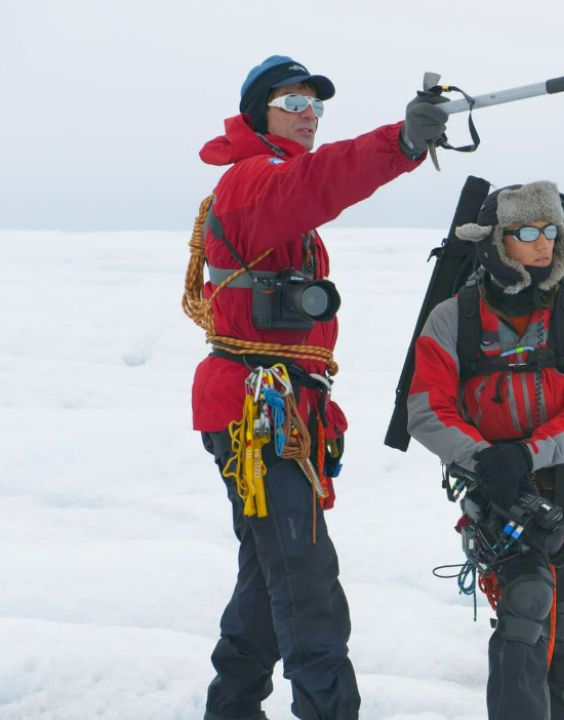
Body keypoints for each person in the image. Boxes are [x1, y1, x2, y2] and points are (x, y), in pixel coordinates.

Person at [192, 55, 449, 720]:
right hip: (257, 411)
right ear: (259, 113)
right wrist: (402, 140)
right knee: (306, 587)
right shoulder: (256, 181)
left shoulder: (270, 182)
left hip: (280, 406)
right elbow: (321, 180)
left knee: (267, 576)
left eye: (315, 106)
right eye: (293, 103)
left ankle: (231, 710)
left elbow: (312, 182)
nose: (308, 116)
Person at [406, 181, 564, 719]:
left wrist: (529, 453)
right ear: (498, 241)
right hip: (499, 490)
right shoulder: (454, 318)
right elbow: (427, 411)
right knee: (526, 609)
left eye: (550, 231)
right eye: (527, 232)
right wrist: (485, 460)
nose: (543, 243)